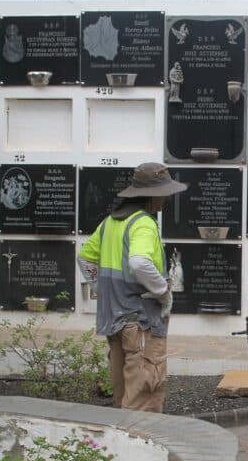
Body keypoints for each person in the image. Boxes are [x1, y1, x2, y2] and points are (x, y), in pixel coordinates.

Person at [77, 162, 186, 413]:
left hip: (115, 320)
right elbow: (139, 262)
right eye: (164, 193)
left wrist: (100, 288)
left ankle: (121, 449)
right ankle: (140, 450)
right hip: (141, 322)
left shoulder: (111, 223)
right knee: (143, 399)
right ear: (151, 195)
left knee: (123, 395)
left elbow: (85, 258)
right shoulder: (143, 224)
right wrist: (163, 292)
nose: (167, 198)